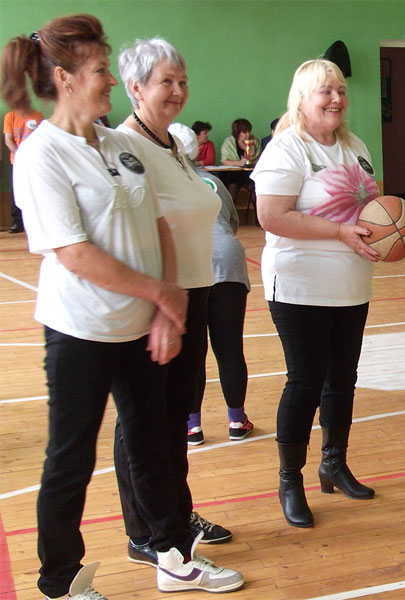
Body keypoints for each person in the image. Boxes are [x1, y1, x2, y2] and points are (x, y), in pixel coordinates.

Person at [1, 14, 243, 598]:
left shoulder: (117, 144)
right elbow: (75, 254)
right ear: (65, 78)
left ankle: (173, 558)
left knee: (156, 446)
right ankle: (61, 580)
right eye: (99, 70)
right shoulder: (41, 155)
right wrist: (162, 294)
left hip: (140, 327)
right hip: (80, 330)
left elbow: (157, 225)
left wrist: (163, 308)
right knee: (71, 458)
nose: (111, 79)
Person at [114, 37, 234, 564]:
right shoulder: (126, 146)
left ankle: (176, 514)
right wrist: (160, 303)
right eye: (166, 81)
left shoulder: (170, 145)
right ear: (136, 87)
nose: (178, 91)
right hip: (155, 301)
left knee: (175, 416)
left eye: (182, 81)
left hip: (193, 294)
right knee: (142, 424)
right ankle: (145, 532)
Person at [252, 58, 380, 529]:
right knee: (304, 381)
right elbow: (271, 215)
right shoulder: (287, 148)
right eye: (325, 91)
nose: (336, 99)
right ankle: (290, 480)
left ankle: (334, 463)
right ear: (302, 98)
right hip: (299, 285)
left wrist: (390, 232)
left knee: (342, 379)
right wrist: (340, 233)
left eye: (341, 90)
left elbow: (373, 208)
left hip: (351, 283)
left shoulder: (355, 146)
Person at [169, 122, 253, 444]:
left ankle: (192, 426)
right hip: (228, 261)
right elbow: (231, 222)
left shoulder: (164, 181)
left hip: (191, 266)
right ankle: (237, 421)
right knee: (229, 346)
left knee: (193, 350)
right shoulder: (212, 180)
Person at [3, 106, 43, 232]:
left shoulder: (38, 116)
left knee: (35, 190)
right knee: (18, 191)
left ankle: (36, 222)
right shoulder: (10, 116)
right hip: (17, 161)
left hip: (35, 160)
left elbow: (42, 138)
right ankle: (17, 222)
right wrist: (21, 155)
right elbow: (8, 140)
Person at [221, 118, 260, 201]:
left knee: (256, 193)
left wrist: (252, 157)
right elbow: (224, 161)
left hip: (249, 175)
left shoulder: (255, 141)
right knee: (232, 191)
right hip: (233, 174)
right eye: (244, 132)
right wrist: (239, 163)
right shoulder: (228, 142)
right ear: (237, 133)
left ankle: (257, 210)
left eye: (249, 131)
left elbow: (260, 159)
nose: (248, 134)